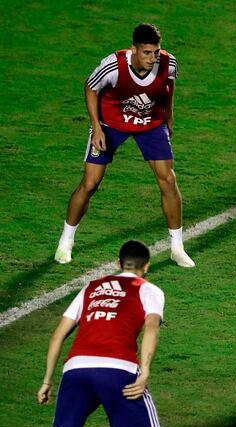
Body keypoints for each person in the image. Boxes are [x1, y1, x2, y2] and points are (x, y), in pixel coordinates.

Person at [30, 240, 194, 427]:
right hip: (118, 370)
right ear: (146, 267)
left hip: (77, 369)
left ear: (118, 263)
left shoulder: (91, 287)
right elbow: (152, 328)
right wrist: (144, 372)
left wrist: (47, 380)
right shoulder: (149, 290)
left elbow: (58, 335)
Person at [54, 23, 194, 268]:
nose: (152, 58)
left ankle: (177, 247)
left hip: (150, 123)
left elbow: (168, 87)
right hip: (111, 122)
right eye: (146, 53)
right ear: (134, 50)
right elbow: (90, 87)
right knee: (90, 183)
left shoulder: (169, 63)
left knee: (168, 180)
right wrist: (96, 127)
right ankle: (66, 241)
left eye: (156, 52)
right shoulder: (113, 65)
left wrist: (169, 115)